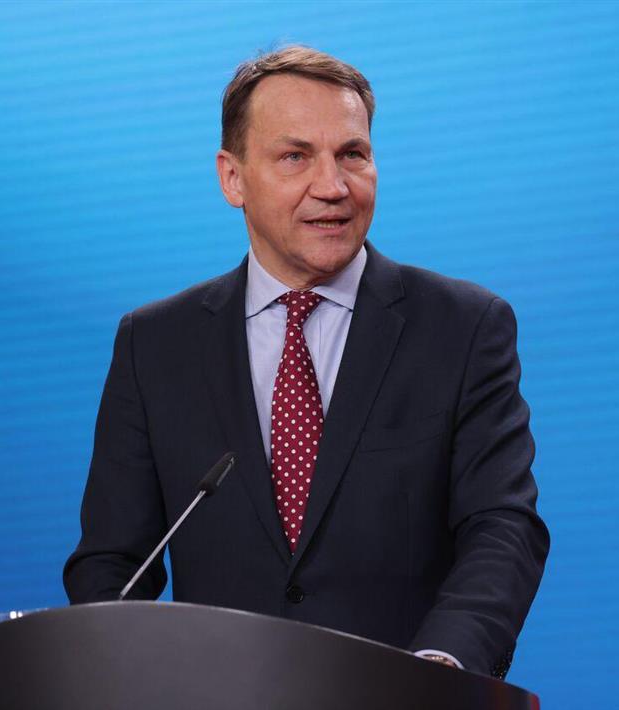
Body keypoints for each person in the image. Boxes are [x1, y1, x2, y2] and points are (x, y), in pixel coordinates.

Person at [63, 46, 549, 679]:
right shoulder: (153, 345)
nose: (333, 186)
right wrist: (121, 676)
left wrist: (436, 672)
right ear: (232, 178)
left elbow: (502, 528)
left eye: (353, 154)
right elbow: (112, 564)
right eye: (295, 156)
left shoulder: (464, 327)